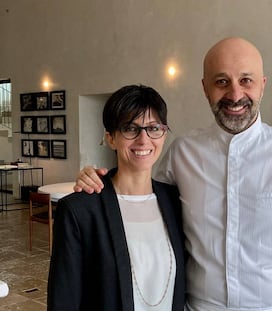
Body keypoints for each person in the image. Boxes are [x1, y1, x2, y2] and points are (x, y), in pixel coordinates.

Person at [75, 38, 272, 311]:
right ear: (205, 88)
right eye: (222, 82)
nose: (235, 94)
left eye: (246, 80)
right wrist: (100, 179)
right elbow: (143, 198)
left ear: (262, 85)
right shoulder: (182, 152)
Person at [48, 85, 185, 311]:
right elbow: (64, 299)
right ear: (111, 138)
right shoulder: (80, 210)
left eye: (153, 128)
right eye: (130, 128)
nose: (144, 139)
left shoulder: (175, 201)